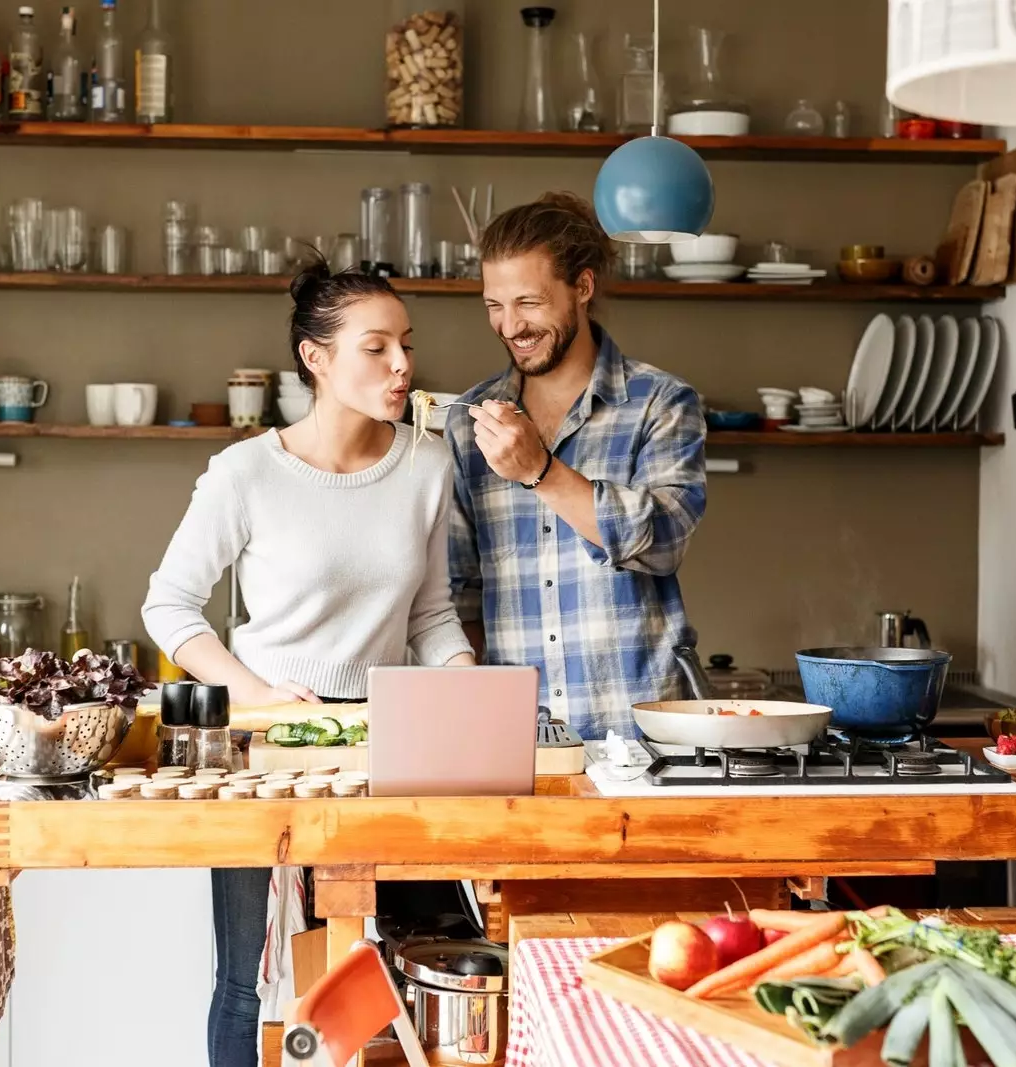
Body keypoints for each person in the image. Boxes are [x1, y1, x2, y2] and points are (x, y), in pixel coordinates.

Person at [141, 261, 473, 1067]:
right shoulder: (246, 472)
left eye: (405, 345)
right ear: (316, 358)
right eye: (376, 347)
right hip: (262, 745)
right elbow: (169, 604)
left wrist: (470, 689)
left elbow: (429, 615)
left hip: (381, 742)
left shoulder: (427, 465)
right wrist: (251, 690)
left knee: (405, 952)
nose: (402, 365)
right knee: (246, 977)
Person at [446, 192, 708, 739]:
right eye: (494, 305)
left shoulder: (660, 402)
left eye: (529, 303)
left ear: (582, 288)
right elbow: (463, 590)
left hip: (642, 732)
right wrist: (470, 715)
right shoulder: (469, 422)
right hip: (519, 734)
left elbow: (662, 542)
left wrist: (540, 471)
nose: (510, 326)